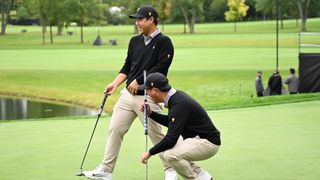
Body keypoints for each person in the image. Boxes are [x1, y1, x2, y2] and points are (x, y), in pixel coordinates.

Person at [82, 5, 177, 180]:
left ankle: (170, 170)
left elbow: (160, 70)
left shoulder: (164, 42)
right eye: (136, 19)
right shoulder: (134, 41)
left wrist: (139, 81)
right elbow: (128, 66)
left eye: (140, 19)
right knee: (115, 129)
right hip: (127, 96)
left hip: (148, 97)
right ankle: (106, 170)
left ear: (151, 20)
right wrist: (115, 83)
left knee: (157, 136)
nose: (137, 23)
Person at [139, 73, 221, 180]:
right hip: (199, 139)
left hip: (208, 143)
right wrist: (151, 114)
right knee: (174, 153)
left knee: (170, 155)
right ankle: (202, 176)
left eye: (148, 90)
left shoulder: (178, 104)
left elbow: (171, 139)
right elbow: (172, 122)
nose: (147, 94)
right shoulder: (176, 98)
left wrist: (150, 153)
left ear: (155, 90)